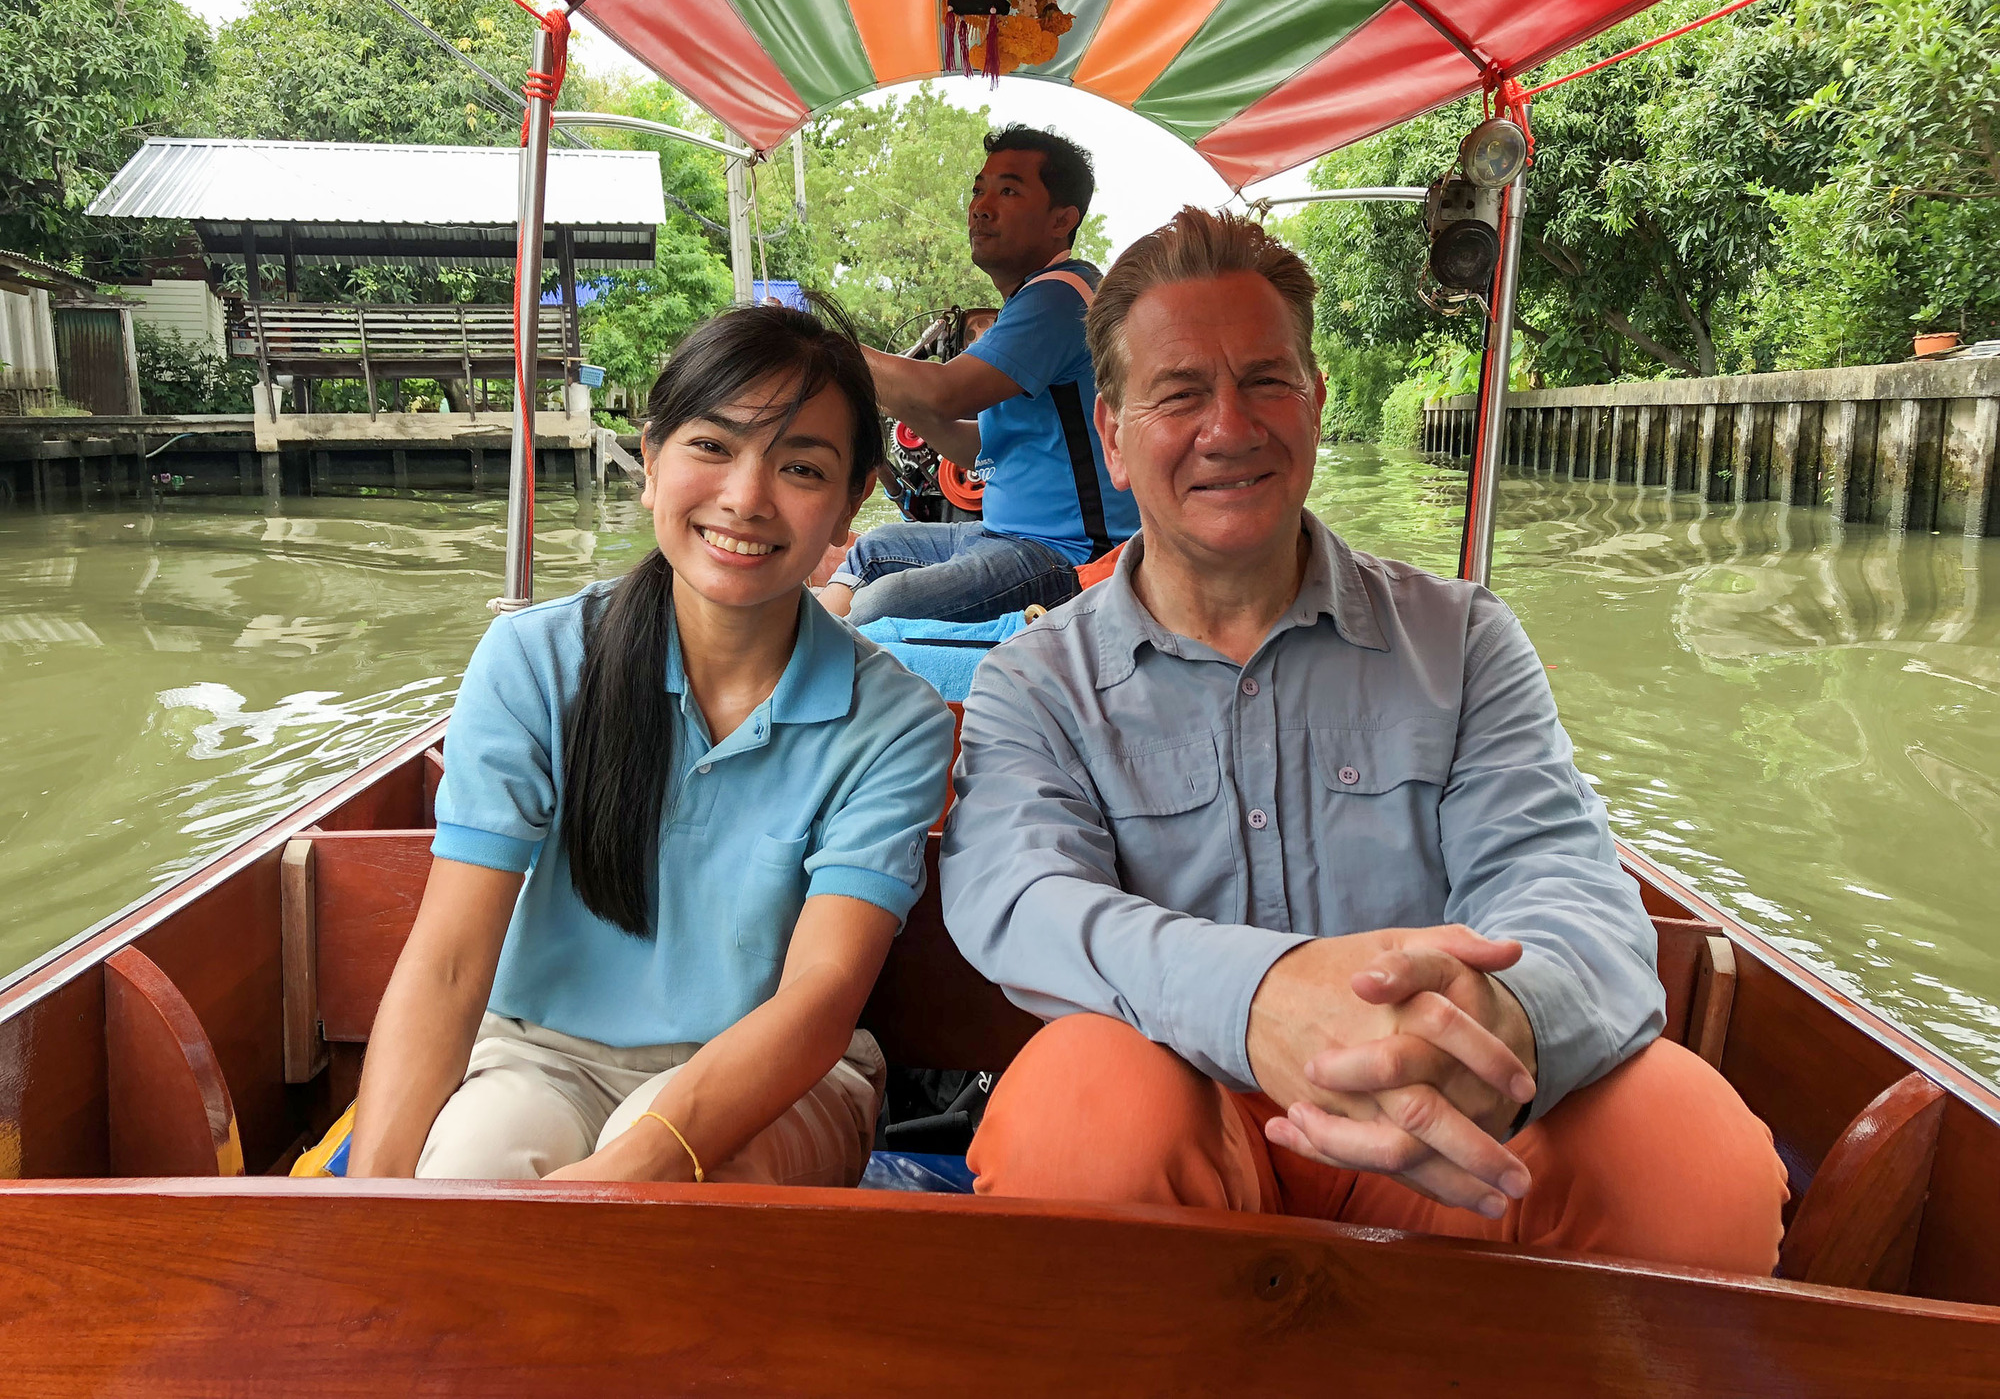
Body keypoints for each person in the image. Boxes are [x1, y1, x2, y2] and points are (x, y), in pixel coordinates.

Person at [939, 209, 1789, 1272]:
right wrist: (1257, 998)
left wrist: (1506, 1021)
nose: (1228, 427)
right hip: (1190, 1123)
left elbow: (1563, 884)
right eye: (1177, 393)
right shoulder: (1037, 678)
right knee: (1078, 1110)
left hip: (1444, 1127)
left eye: (1263, 380)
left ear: (1316, 400)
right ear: (1110, 436)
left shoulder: (1461, 638)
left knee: (1683, 1149)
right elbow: (1017, 900)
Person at [346, 301, 956, 1185]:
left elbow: (819, 998)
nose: (746, 497)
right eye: (712, 446)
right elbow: (447, 964)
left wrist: (622, 1174)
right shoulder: (538, 661)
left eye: (799, 466)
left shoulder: (894, 722)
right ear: (652, 459)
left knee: (672, 1207)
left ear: (849, 504)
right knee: (475, 1165)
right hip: (538, 1053)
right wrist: (373, 1217)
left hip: (782, 1076)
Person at [817, 126, 1138, 626]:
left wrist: (816, 347)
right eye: (979, 190)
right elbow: (975, 448)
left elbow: (945, 395)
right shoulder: (1030, 302)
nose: (981, 207)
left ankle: (820, 667)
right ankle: (805, 662)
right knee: (873, 550)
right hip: (1005, 535)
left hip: (1070, 556)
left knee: (883, 604)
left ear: (1062, 219)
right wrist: (901, 401)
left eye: (1008, 191)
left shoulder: (1061, 295)